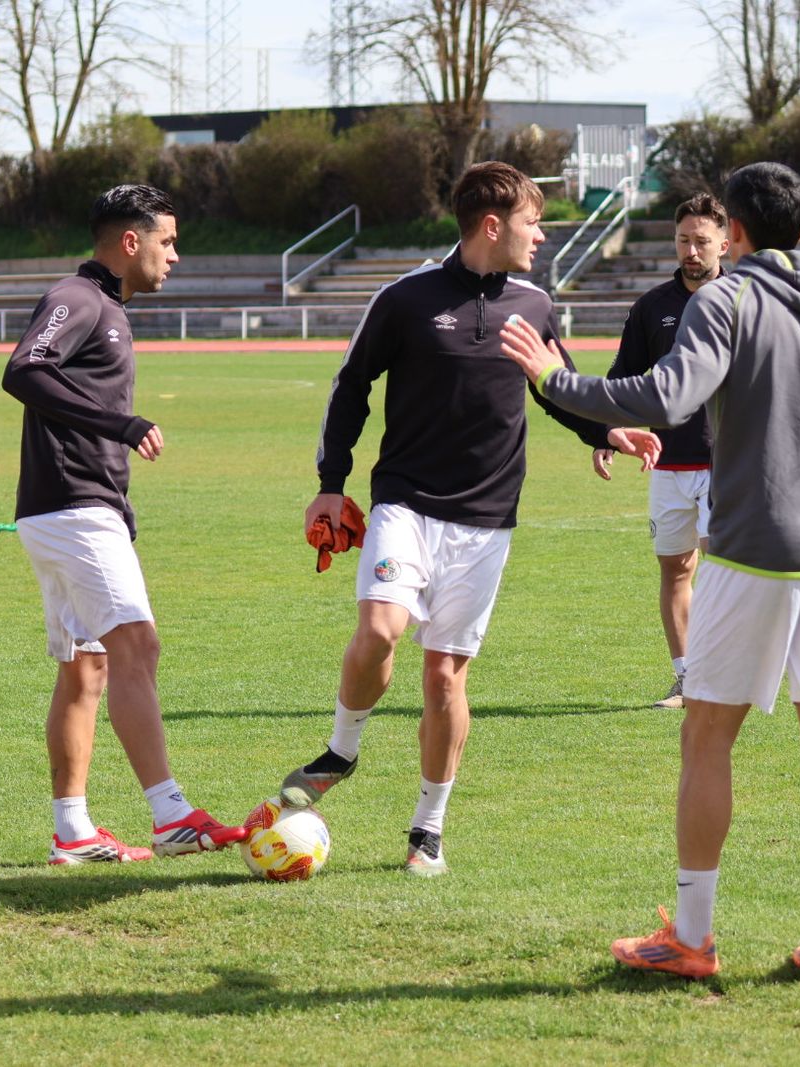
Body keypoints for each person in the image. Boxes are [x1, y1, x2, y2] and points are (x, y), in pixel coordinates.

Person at [500, 162, 800, 980]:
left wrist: (551, 378)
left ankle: (692, 937)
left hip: (753, 552)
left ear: (737, 234)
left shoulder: (727, 299)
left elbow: (665, 395)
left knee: (707, 735)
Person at [279, 161, 661, 876]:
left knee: (445, 679)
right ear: (492, 224)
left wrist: (608, 430)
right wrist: (331, 484)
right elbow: (352, 385)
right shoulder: (405, 298)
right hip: (405, 503)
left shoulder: (534, 305)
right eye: (532, 223)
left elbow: (557, 388)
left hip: (487, 519)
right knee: (379, 628)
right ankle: (342, 748)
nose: (541, 236)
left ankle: (427, 828)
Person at [1, 183, 245, 865]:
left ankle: (73, 831)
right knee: (138, 645)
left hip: (67, 508)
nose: (176, 255)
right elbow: (23, 370)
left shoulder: (107, 306)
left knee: (88, 667)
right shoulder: (79, 298)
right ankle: (172, 816)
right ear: (131, 241)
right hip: (73, 508)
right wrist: (122, 424)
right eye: (168, 241)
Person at [592, 194, 729, 708]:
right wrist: (607, 431)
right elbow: (622, 377)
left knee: (726, 570)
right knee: (675, 569)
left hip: (727, 461)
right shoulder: (651, 307)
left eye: (701, 241)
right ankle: (687, 679)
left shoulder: (743, 300)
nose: (691, 251)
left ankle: (725, 676)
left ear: (723, 243)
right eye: (683, 240)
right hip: (666, 462)